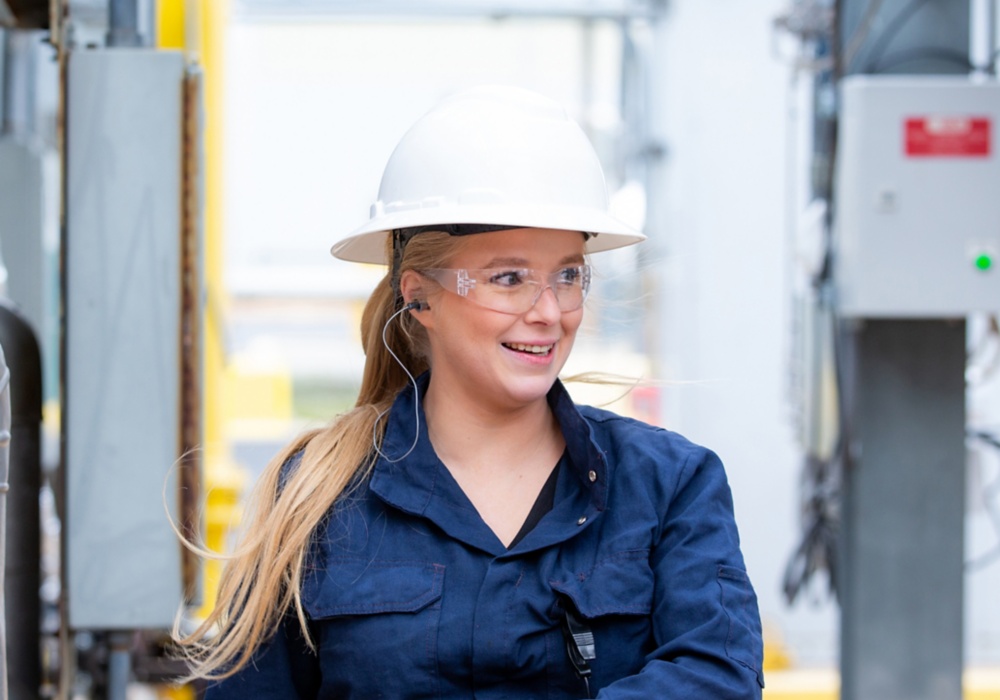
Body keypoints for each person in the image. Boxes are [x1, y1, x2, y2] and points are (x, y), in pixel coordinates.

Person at [177, 85, 764, 698]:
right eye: (508, 278)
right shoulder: (315, 499)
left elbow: (717, 676)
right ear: (418, 295)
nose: (549, 311)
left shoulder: (669, 485)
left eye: (567, 275)